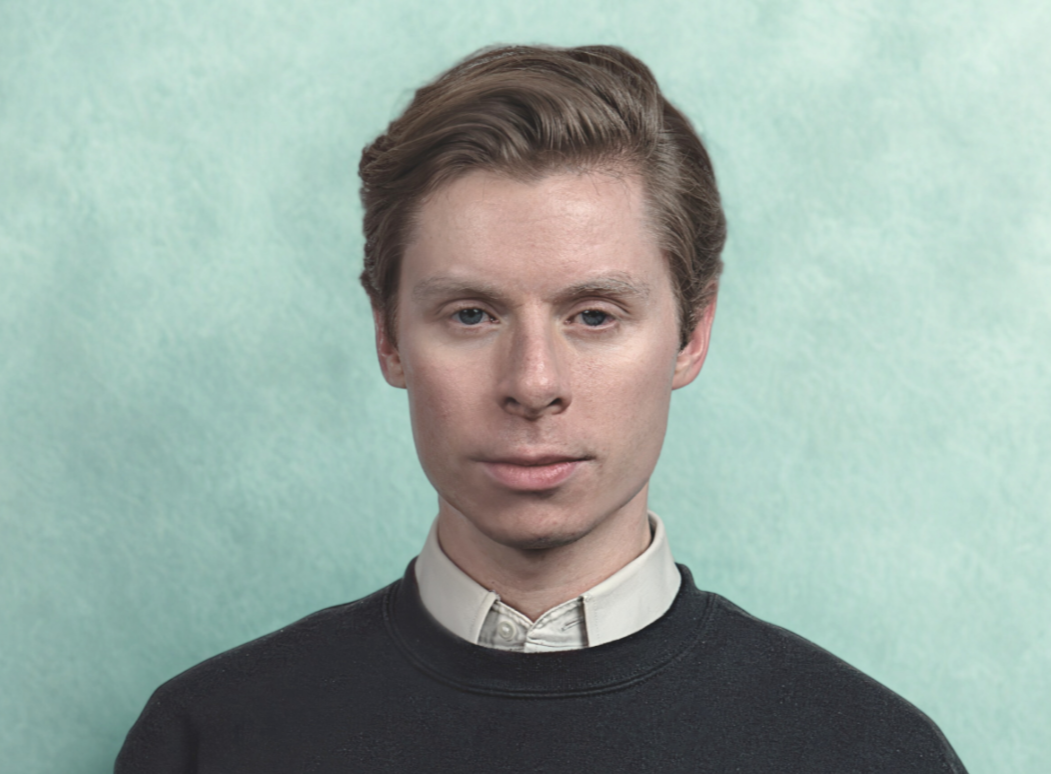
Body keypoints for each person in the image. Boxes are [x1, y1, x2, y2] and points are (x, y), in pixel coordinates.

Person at [116, 44, 968, 773]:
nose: (531, 382)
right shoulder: (211, 740)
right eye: (471, 315)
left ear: (691, 335)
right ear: (387, 337)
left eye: (593, 315)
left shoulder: (867, 752)